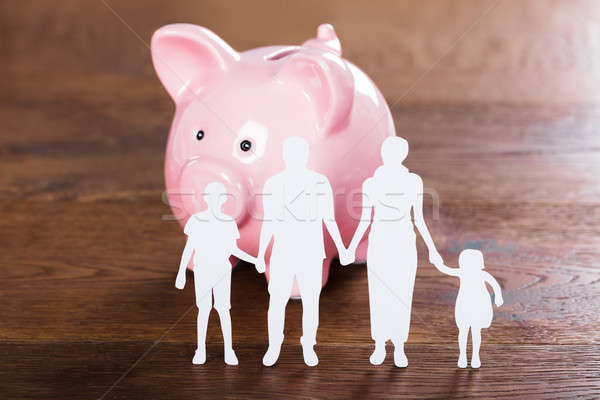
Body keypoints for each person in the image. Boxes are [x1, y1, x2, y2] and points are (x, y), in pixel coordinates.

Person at [256, 136, 352, 367]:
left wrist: (342, 248)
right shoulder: (274, 184)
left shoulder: (319, 183)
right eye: (292, 153)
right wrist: (260, 254)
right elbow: (268, 221)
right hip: (282, 251)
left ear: (306, 155)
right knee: (277, 301)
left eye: (300, 152)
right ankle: (274, 345)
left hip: (310, 251)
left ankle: (308, 344)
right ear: (285, 156)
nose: (296, 157)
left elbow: (328, 219)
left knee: (311, 302)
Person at [347, 136, 443, 367]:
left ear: (402, 155)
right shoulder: (371, 184)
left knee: (401, 294)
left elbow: (418, 219)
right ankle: (380, 345)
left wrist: (432, 249)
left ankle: (399, 346)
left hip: (403, 243)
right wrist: (351, 247)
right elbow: (364, 220)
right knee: (379, 293)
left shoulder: (413, 182)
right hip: (379, 242)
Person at [175, 181, 259, 365]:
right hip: (203, 270)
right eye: (211, 196)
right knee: (203, 310)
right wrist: (181, 272)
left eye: (219, 196)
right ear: (206, 198)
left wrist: (255, 260)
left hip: (221, 270)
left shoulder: (228, 222)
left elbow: (233, 250)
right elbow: (189, 248)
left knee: (223, 310)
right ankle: (201, 350)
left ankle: (229, 350)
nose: (215, 200)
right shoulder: (196, 221)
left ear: (223, 200)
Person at [433, 249, 503, 368]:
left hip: (477, 305)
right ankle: (463, 356)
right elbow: (446, 269)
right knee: (464, 331)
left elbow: (495, 284)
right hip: (464, 305)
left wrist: (498, 296)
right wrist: (437, 262)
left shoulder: (481, 274)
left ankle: (475, 356)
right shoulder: (462, 272)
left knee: (474, 331)